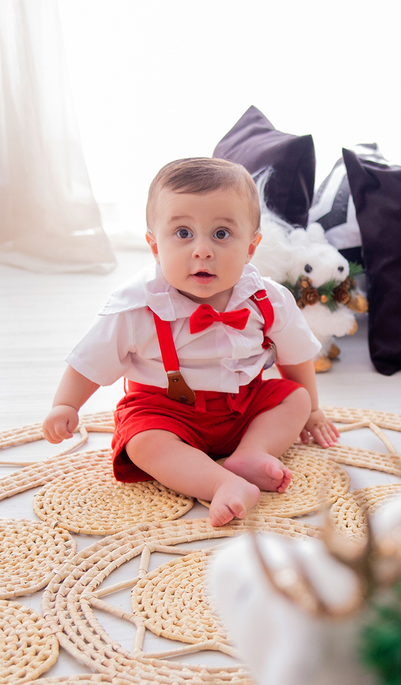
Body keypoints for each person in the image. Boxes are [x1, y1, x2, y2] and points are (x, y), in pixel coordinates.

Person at [42, 157, 339, 526]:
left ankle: (252, 452)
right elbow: (88, 361)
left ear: (250, 247)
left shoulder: (268, 298)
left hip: (243, 404)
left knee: (294, 398)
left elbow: (295, 358)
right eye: (183, 234)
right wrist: (65, 405)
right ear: (154, 246)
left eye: (221, 234)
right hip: (167, 410)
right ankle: (222, 483)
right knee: (142, 440)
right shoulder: (136, 306)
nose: (202, 250)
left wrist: (310, 410)